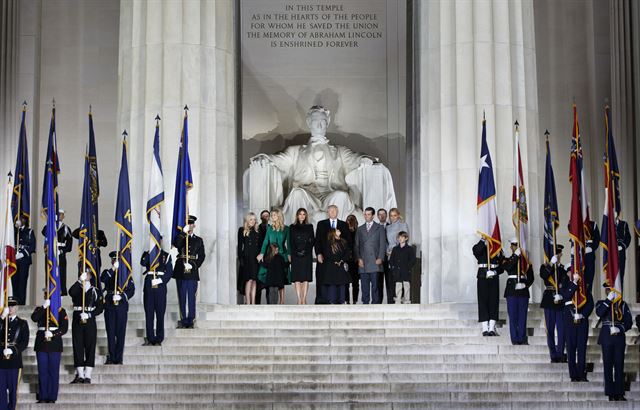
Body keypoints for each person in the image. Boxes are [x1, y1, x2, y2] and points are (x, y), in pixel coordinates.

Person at [595, 282, 632, 401]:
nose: (609, 291)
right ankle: (610, 392)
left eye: (610, 289)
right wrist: (608, 301)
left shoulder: (623, 304)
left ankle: (619, 392)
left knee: (619, 364)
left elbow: (629, 322)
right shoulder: (601, 303)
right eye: (607, 289)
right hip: (606, 336)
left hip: (619, 337)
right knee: (608, 365)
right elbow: (599, 313)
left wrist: (620, 328)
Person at [31, 294, 69, 403]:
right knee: (42, 371)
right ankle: (43, 396)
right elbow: (34, 318)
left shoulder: (61, 311)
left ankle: (52, 397)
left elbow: (64, 328)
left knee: (53, 372)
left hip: (54, 343)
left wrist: (53, 334)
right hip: (42, 343)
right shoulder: (40, 308)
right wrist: (44, 307)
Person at [69, 269, 103, 384]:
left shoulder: (95, 290)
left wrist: (90, 314)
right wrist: (79, 281)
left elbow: (99, 307)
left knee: (90, 345)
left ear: (91, 276)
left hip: (89, 320)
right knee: (77, 345)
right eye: (84, 273)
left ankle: (88, 374)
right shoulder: (77, 288)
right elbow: (71, 292)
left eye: (88, 274)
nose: (86, 275)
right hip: (78, 318)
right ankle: (80, 374)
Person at [101, 251, 135, 364]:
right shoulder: (108, 272)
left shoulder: (125, 274)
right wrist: (112, 270)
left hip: (121, 304)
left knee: (120, 332)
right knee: (110, 332)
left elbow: (131, 289)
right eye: (113, 259)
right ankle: (111, 356)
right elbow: (103, 279)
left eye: (117, 259)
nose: (115, 261)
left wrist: (123, 296)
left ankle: (119, 357)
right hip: (110, 303)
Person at [173, 215, 206, 329]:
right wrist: (183, 233)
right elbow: (177, 244)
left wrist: (194, 265)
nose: (190, 226)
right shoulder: (181, 237)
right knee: (182, 295)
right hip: (181, 269)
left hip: (192, 270)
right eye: (188, 224)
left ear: (194, 225)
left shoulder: (199, 240)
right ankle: (183, 319)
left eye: (191, 224)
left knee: (191, 296)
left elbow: (202, 256)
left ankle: (191, 319)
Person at [561, 270, 593, 382]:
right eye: (570, 271)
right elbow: (566, 296)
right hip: (569, 319)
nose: (573, 273)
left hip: (581, 319)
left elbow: (590, 303)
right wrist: (574, 282)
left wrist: (583, 315)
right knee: (570, 348)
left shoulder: (583, 287)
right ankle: (573, 375)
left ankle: (581, 374)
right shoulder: (564, 283)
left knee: (581, 348)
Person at [314, 205, 349, 304]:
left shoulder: (343, 224)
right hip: (325, 259)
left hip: (340, 260)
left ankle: (340, 300)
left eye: (334, 210)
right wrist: (319, 253)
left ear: (337, 212)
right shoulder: (321, 224)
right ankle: (324, 300)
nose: (332, 212)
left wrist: (344, 258)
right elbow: (318, 241)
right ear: (327, 212)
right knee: (325, 279)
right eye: (330, 211)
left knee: (341, 281)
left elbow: (348, 242)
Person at [539, 244, 568, 363]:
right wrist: (551, 264)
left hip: (559, 299)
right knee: (549, 330)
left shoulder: (562, 268)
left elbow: (565, 282)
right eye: (556, 253)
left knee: (561, 330)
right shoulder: (545, 266)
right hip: (549, 299)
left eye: (559, 253)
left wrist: (561, 293)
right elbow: (543, 275)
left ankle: (560, 354)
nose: (558, 255)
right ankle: (553, 355)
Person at [502, 239, 534, 345]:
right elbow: (507, 267)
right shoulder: (508, 259)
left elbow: (531, 277)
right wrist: (515, 256)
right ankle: (515, 339)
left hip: (523, 290)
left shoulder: (525, 261)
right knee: (513, 316)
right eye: (512, 245)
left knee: (522, 316)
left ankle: (522, 337)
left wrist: (525, 285)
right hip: (512, 290)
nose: (513, 247)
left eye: (515, 245)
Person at [0, 297, 29, 410]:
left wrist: (13, 350)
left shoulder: (22, 323)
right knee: (1, 389)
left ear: (16, 307)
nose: (10, 308)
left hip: (14, 362)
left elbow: (24, 342)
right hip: (1, 359)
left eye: (12, 306)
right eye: (8, 306)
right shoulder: (1, 321)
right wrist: (2, 317)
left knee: (13, 390)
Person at [472, 238, 504, 336]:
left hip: (493, 276)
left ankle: (492, 328)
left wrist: (495, 272)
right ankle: (485, 328)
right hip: (482, 276)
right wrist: (482, 240)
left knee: (493, 302)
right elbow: (476, 251)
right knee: (483, 301)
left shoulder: (498, 249)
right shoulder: (480, 247)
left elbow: (502, 266)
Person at [354, 207, 386, 305]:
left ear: (373, 215)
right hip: (363, 261)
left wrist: (380, 257)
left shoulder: (379, 228)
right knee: (364, 286)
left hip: (375, 261)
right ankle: (365, 304)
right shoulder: (360, 229)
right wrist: (358, 258)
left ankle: (375, 304)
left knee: (375, 286)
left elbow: (383, 244)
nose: (366, 216)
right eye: (365, 214)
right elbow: (356, 246)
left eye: (368, 214)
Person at [257, 209, 290, 304]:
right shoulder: (270, 228)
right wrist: (262, 253)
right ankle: (272, 301)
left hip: (281, 256)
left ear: (279, 216)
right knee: (271, 279)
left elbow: (289, 244)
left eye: (274, 215)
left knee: (281, 279)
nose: (272, 217)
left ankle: (282, 301)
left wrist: (289, 255)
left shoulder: (286, 229)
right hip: (271, 256)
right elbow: (265, 242)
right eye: (272, 215)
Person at [141, 247, 171, 346]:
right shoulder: (148, 253)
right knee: (149, 313)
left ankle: (159, 338)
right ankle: (150, 338)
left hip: (160, 286)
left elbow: (169, 271)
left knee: (160, 313)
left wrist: (161, 280)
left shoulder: (165, 255)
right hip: (149, 284)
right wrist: (148, 253)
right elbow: (143, 262)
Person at [41, 209, 73, 295]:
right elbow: (44, 232)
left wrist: (62, 251)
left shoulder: (66, 228)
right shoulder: (51, 226)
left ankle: (61, 291)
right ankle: (49, 288)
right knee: (49, 270)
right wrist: (50, 222)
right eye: (58, 214)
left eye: (61, 214)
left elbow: (69, 246)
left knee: (61, 272)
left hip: (61, 253)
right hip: (51, 252)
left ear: (63, 217)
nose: (59, 216)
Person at [289, 208, 315, 305]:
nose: (302, 216)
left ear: (306, 216)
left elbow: (312, 240)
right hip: (296, 255)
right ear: (297, 215)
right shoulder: (292, 227)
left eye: (304, 214)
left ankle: (304, 299)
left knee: (305, 278)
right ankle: (299, 299)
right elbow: (291, 241)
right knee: (297, 278)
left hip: (306, 255)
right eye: (300, 214)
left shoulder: (310, 226)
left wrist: (306, 251)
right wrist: (296, 252)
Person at [385, 208, 409, 303]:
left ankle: (402, 299)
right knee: (391, 278)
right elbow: (387, 242)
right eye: (391, 215)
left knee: (401, 278)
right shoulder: (388, 227)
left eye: (395, 215)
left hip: (400, 254)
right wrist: (387, 250)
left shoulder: (403, 225)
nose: (393, 217)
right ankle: (392, 300)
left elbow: (406, 240)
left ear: (398, 215)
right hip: (390, 255)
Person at [238, 213, 261, 305]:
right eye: (251, 219)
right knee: (249, 280)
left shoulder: (257, 232)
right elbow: (240, 246)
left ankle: (253, 302)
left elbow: (259, 246)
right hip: (247, 258)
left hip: (255, 258)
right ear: (247, 220)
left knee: (254, 280)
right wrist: (241, 259)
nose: (253, 221)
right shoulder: (242, 230)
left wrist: (260, 256)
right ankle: (247, 301)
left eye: (254, 219)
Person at [323, 229, 351, 304]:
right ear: (333, 233)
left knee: (342, 284)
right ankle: (332, 301)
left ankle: (342, 301)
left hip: (341, 266)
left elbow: (347, 252)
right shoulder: (329, 243)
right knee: (332, 284)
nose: (339, 230)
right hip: (332, 266)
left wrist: (341, 260)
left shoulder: (343, 241)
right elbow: (328, 253)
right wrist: (335, 260)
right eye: (337, 230)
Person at [388, 231, 416, 304]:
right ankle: (398, 299)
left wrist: (408, 267)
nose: (400, 239)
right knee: (398, 286)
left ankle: (407, 300)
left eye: (402, 237)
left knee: (406, 286)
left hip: (406, 271)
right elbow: (391, 260)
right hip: (397, 271)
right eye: (399, 237)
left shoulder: (409, 249)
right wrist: (393, 268)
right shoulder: (395, 249)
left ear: (406, 238)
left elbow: (413, 260)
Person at [13, 215, 36, 304]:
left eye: (22, 218)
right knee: (14, 282)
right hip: (14, 259)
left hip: (24, 261)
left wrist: (22, 254)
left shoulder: (29, 231)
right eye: (19, 218)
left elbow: (32, 246)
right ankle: (14, 302)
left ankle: (21, 303)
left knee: (22, 282)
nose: (20, 220)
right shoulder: (14, 231)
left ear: (25, 220)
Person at [255, 210, 271, 305]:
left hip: (269, 258)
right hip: (260, 257)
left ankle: (270, 303)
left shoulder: (271, 228)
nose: (265, 217)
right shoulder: (258, 228)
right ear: (261, 217)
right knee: (259, 281)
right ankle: (257, 303)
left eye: (267, 216)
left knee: (269, 281)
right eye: (263, 216)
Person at [345, 214, 359, 304]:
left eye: (352, 220)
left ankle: (354, 300)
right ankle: (347, 300)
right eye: (349, 220)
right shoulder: (344, 233)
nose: (350, 222)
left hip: (356, 260)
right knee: (346, 283)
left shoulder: (358, 232)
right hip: (346, 260)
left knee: (355, 283)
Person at [583, 220, 600, 293]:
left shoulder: (593, 224)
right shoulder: (574, 221)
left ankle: (588, 298)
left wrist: (591, 248)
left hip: (589, 256)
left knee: (589, 279)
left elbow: (597, 239)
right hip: (579, 255)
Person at [615, 217, 631, 289]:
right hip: (611, 253)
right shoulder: (608, 224)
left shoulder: (624, 224)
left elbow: (628, 237)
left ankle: (620, 298)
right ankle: (612, 298)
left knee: (620, 276)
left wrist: (623, 246)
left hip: (621, 253)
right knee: (612, 277)